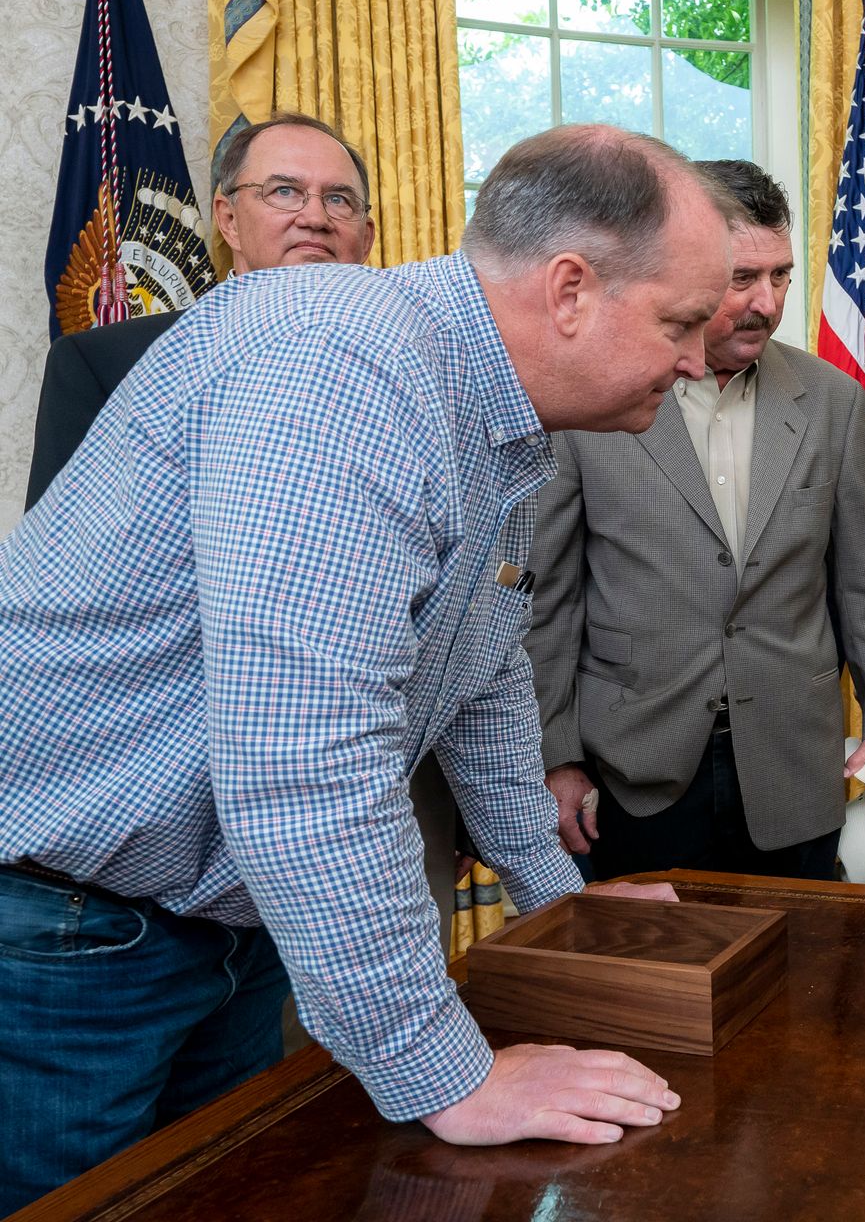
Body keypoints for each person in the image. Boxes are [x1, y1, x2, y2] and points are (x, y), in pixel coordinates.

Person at [0, 124, 733, 1213]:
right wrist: (450, 1069)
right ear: (570, 288)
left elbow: (478, 677)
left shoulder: (484, 409)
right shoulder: (341, 358)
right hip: (72, 940)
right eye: (681, 323)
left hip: (223, 928)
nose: (695, 361)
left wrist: (558, 901)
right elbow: (304, 755)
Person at [528, 159, 865, 883]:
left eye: (781, 277)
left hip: (792, 764)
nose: (765, 303)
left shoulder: (833, 401)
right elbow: (549, 599)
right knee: (651, 987)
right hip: (634, 769)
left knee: (796, 983)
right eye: (742, 279)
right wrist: (556, 757)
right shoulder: (591, 403)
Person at [26, 112, 378, 509]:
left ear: (365, 240)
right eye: (283, 191)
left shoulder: (416, 366)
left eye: (338, 199)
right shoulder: (103, 363)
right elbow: (53, 556)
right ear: (228, 220)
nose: (315, 218)